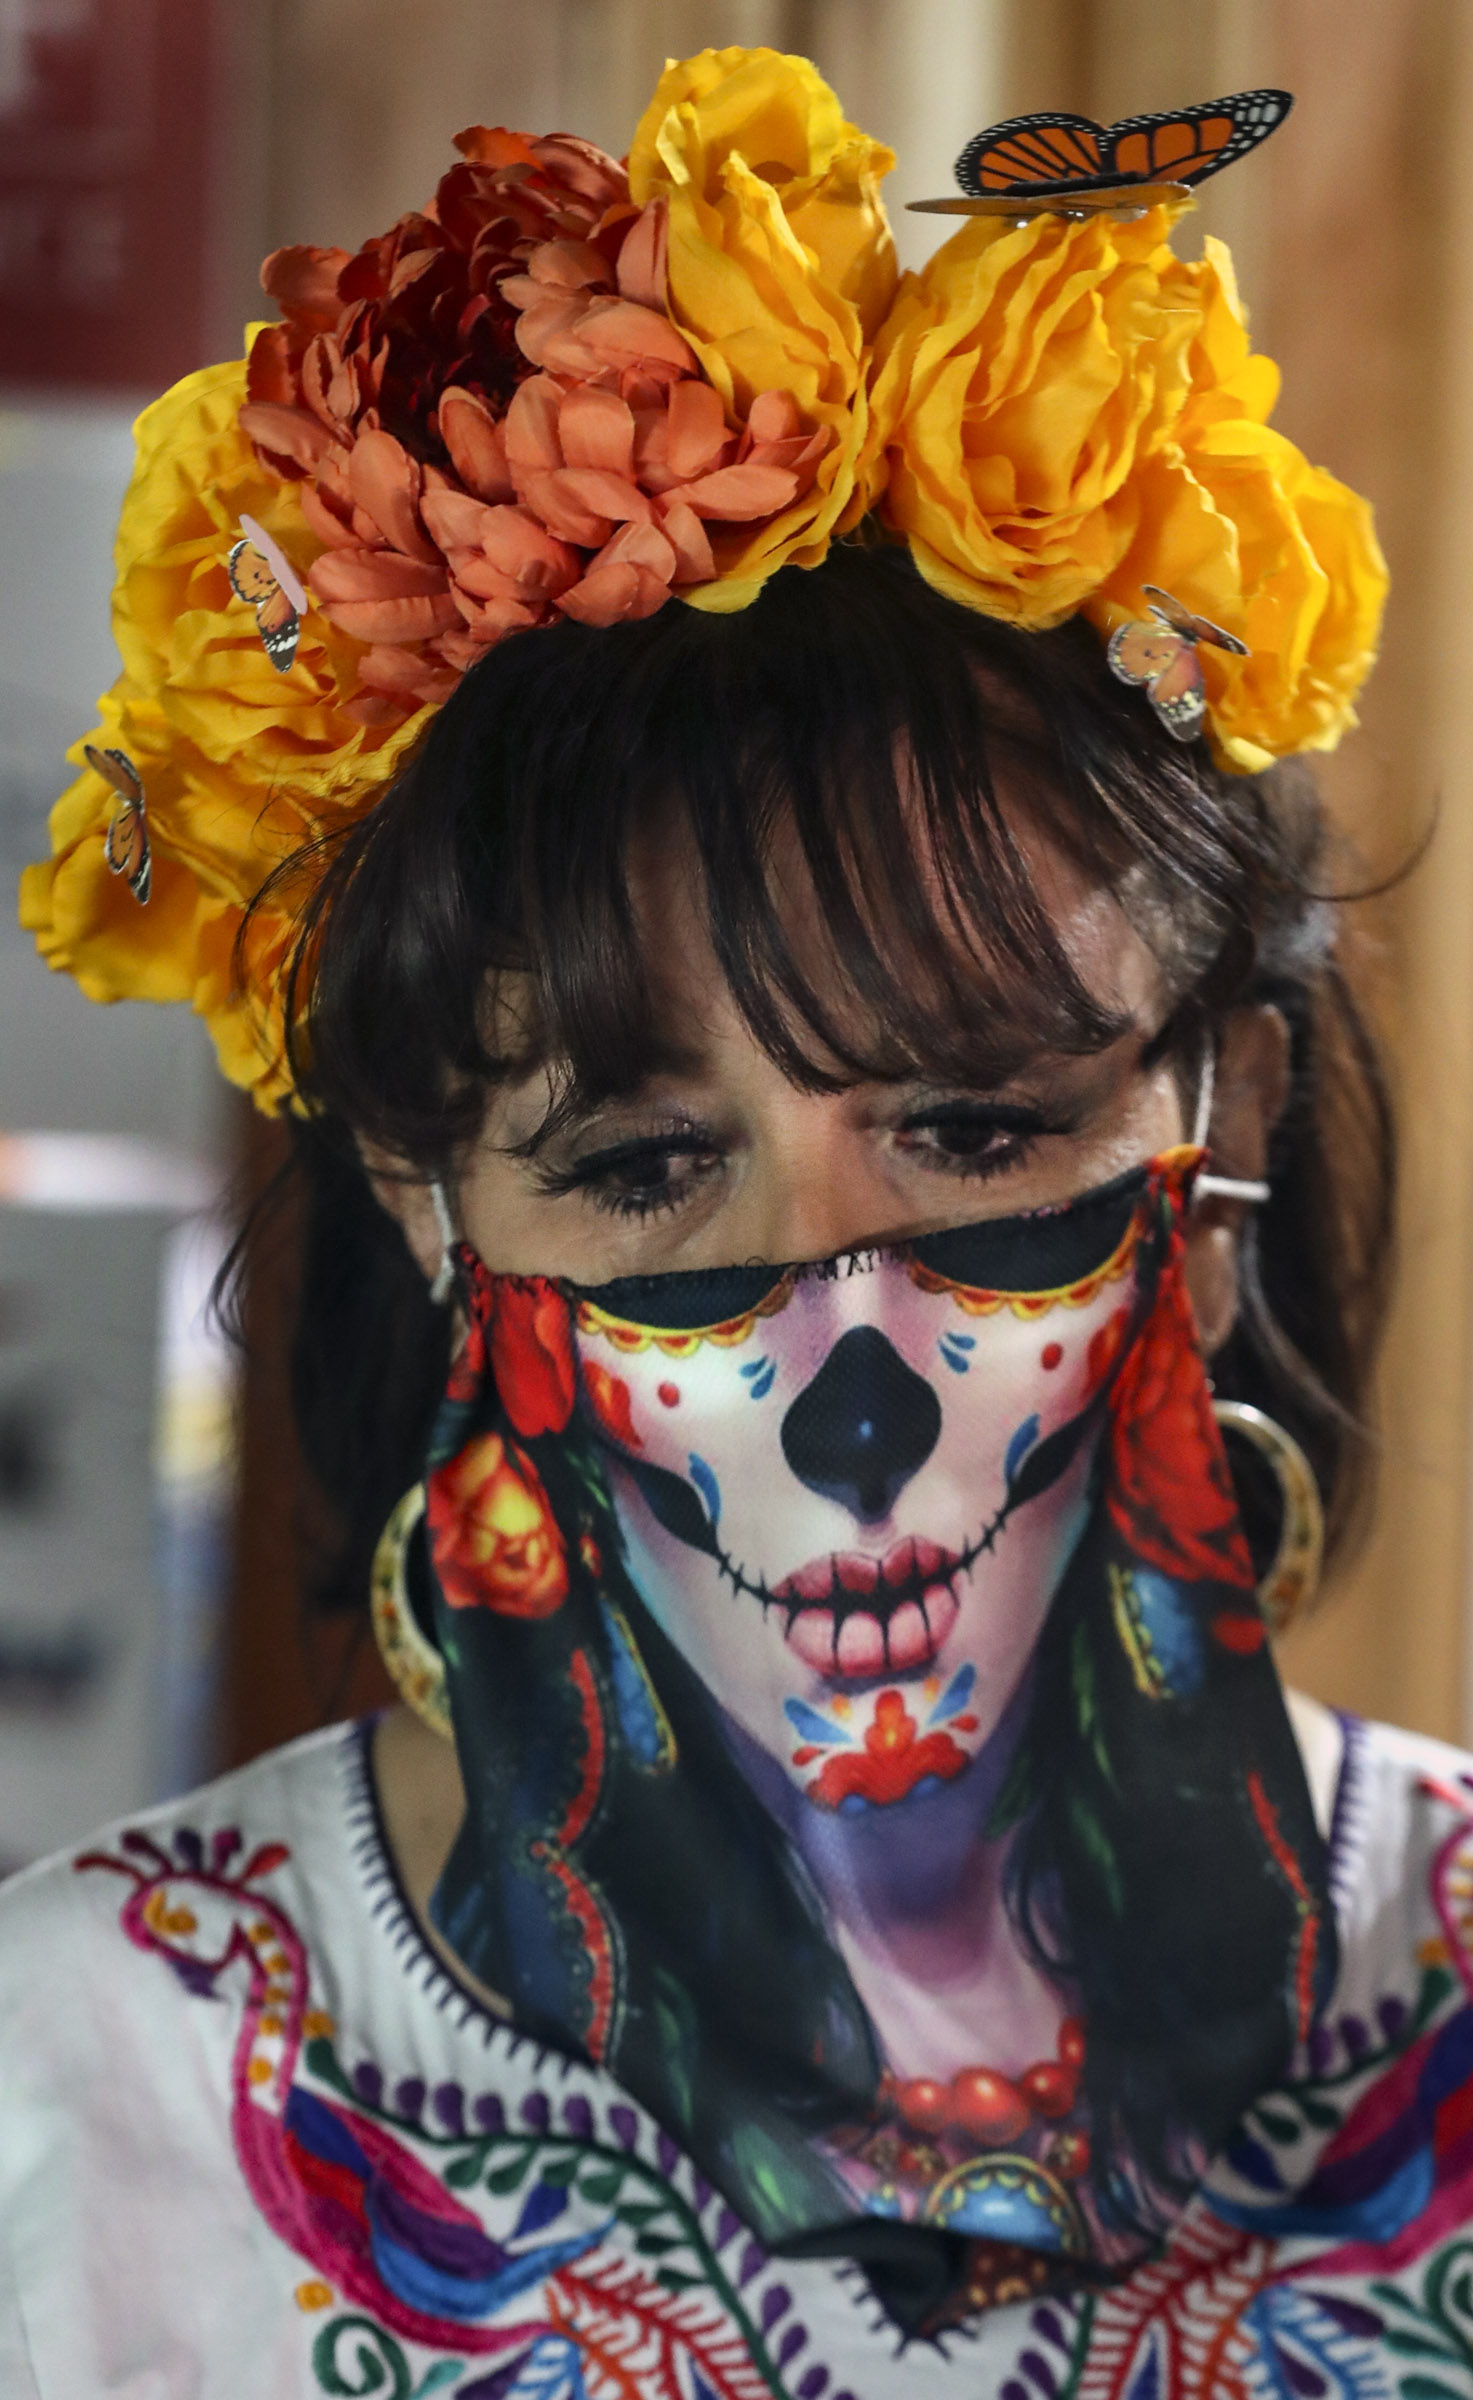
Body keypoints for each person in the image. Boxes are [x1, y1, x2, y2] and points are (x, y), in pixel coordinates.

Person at [1, 43, 1462, 2400]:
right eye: (643, 1168)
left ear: (1221, 1133)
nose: (844, 1372)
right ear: (424, 1206)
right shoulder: (59, 2117)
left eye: (975, 1131)